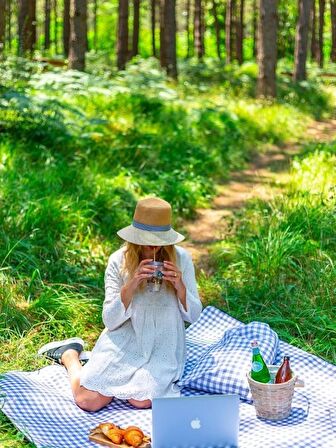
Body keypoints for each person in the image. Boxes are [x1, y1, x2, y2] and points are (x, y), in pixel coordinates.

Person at [38, 197, 202, 412]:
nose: (153, 245)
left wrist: (179, 286)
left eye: (159, 239)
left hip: (164, 338)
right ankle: (70, 354)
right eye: (146, 238)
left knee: (142, 400)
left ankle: (99, 365)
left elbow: (193, 316)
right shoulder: (118, 260)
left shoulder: (181, 258)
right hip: (126, 336)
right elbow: (110, 319)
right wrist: (132, 284)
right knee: (88, 400)